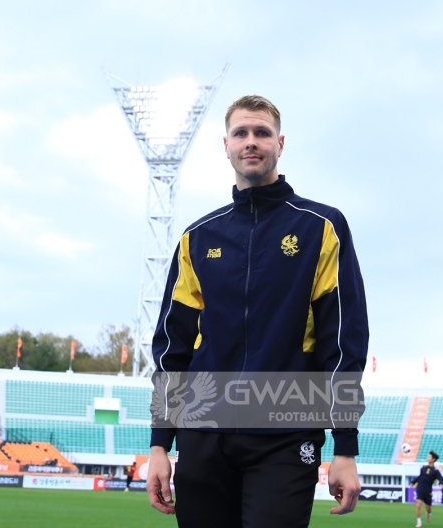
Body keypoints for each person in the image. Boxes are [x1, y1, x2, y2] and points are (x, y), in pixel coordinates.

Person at [145, 95, 369, 527]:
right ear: (226, 145)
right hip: (203, 433)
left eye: (262, 133)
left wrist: (345, 447)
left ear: (279, 144)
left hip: (286, 432)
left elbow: (342, 343)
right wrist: (159, 444)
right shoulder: (197, 237)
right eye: (241, 133)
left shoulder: (321, 227)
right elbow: (173, 347)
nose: (251, 141)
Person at [411, 451, 443, 526]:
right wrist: (413, 482)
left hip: (428, 491)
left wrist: (441, 483)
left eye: (429, 457)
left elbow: (441, 478)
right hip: (420, 488)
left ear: (433, 459)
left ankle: (428, 514)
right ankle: (419, 522)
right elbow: (420, 477)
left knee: (428, 508)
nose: (428, 458)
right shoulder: (423, 468)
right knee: (418, 504)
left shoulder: (435, 471)